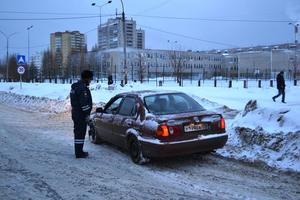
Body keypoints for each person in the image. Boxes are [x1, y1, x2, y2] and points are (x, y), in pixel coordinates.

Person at [70, 70, 93, 158]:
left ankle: (78, 151)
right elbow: (84, 104)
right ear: (86, 78)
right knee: (80, 133)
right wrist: (87, 114)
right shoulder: (82, 89)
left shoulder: (75, 87)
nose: (90, 81)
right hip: (80, 115)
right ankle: (79, 153)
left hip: (76, 113)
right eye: (90, 79)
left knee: (78, 132)